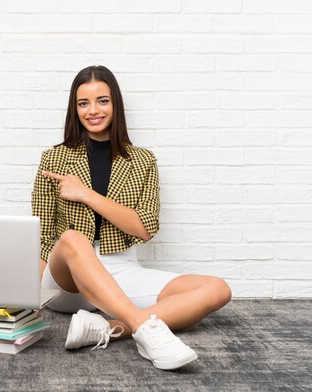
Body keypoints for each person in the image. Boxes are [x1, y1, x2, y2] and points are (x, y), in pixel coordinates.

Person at [31, 65, 232, 370]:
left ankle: (108, 327)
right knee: (72, 238)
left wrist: (86, 193)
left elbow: (145, 227)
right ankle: (143, 328)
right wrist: (29, 297)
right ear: (75, 109)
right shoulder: (54, 158)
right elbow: (44, 236)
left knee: (217, 289)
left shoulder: (142, 160)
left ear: (116, 105)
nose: (93, 110)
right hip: (66, 279)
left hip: (121, 268)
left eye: (102, 100)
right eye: (83, 103)